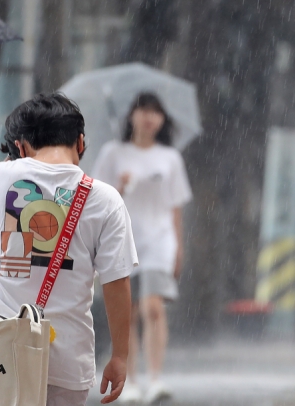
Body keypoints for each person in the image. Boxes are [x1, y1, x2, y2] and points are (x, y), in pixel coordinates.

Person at [0, 93, 137, 406]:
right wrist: (120, 356)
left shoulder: (2, 178)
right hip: (68, 360)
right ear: (81, 143)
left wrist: (11, 166)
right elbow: (117, 283)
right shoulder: (106, 200)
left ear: (20, 147)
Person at [93, 92, 192, 404]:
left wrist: (178, 247)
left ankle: (156, 378)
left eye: (156, 112)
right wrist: (119, 187)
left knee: (153, 308)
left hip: (160, 241)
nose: (149, 117)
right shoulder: (113, 154)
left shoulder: (170, 158)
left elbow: (175, 206)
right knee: (129, 312)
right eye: (143, 110)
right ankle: (130, 380)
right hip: (122, 240)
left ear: (163, 120)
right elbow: (97, 198)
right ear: (131, 116)